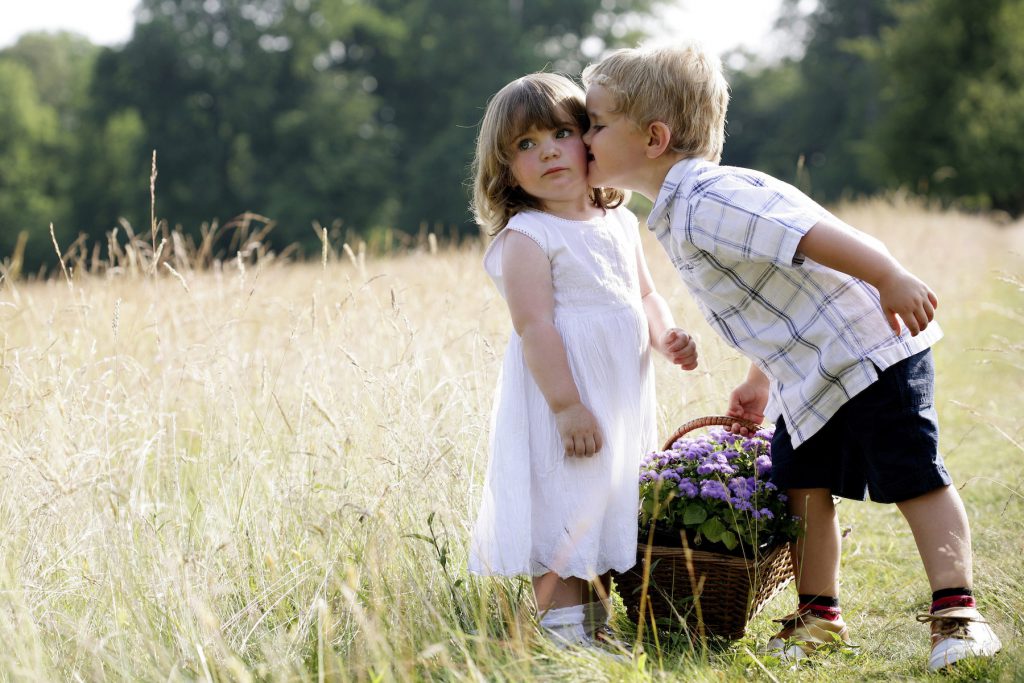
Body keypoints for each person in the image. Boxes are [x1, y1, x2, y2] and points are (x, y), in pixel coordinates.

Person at [579, 44, 1002, 672]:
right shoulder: (677, 212)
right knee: (800, 478)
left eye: (595, 123)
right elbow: (774, 293)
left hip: (867, 349)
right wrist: (758, 379)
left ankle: (958, 612)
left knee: (911, 471)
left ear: (654, 137)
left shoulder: (708, 199)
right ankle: (819, 615)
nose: (583, 136)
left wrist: (888, 274)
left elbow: (808, 236)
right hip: (810, 372)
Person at [466, 72, 699, 653]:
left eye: (561, 133)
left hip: (618, 394)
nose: (545, 151)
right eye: (525, 145)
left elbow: (644, 294)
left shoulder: (619, 221)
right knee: (563, 505)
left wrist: (666, 333)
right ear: (505, 168)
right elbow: (534, 327)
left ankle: (593, 624)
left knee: (601, 503)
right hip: (564, 399)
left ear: (588, 140)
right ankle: (561, 634)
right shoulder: (528, 235)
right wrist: (568, 407)